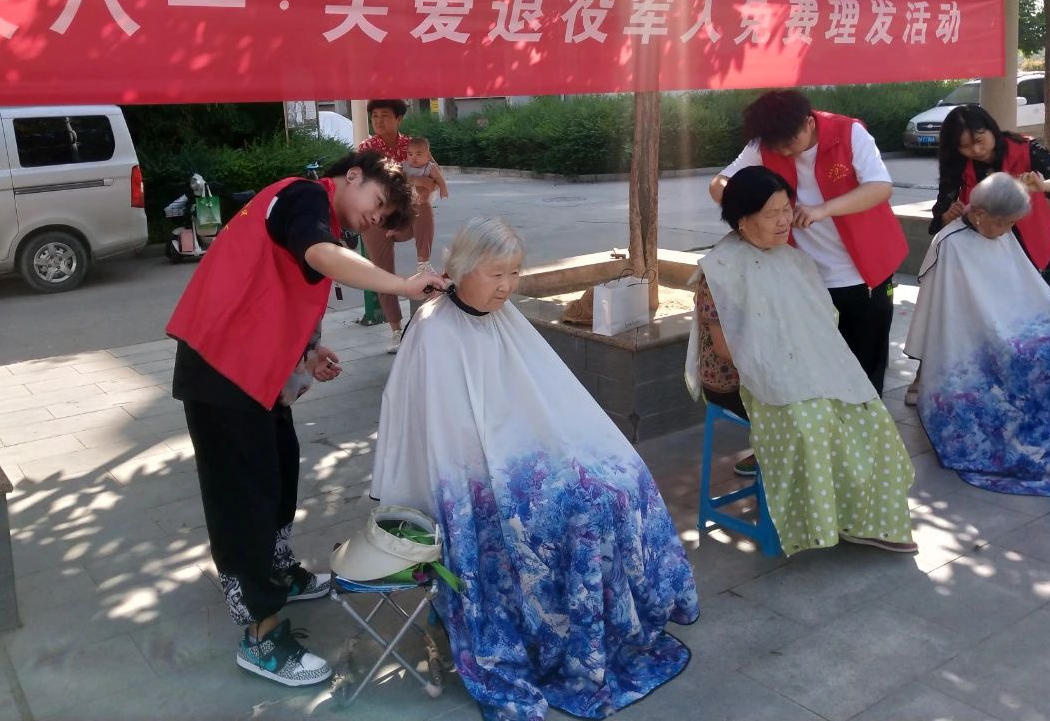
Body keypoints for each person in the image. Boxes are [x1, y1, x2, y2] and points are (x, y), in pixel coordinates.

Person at [372, 217, 699, 721]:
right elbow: (447, 438)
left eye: (514, 272)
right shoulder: (434, 330)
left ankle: (607, 627)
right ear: (462, 269)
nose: (507, 286)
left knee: (621, 482)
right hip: (476, 480)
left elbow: (546, 399)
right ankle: (562, 636)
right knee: (572, 519)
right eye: (495, 273)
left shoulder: (503, 317)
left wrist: (564, 453)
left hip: (525, 455)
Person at [166, 151, 445, 687]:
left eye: (384, 218)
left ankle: (279, 575)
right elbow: (319, 255)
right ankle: (261, 635)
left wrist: (309, 353)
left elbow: (274, 290)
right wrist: (401, 285)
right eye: (378, 204)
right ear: (353, 175)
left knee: (278, 474)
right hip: (221, 369)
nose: (375, 219)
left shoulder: (314, 212)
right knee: (244, 498)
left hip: (254, 372)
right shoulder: (306, 196)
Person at [688, 166, 916, 555]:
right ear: (742, 220)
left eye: (786, 210)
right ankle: (820, 520)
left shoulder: (795, 261)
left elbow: (822, 323)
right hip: (736, 379)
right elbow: (727, 350)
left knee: (867, 411)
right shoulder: (720, 270)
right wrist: (791, 365)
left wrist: (808, 362)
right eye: (771, 214)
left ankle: (866, 519)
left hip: (794, 364)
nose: (784, 221)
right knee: (811, 422)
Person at [906, 172, 1050, 498]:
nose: (1008, 230)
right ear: (980, 214)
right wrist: (1004, 335)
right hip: (986, 341)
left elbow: (1024, 288)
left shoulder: (998, 232)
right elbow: (953, 315)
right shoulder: (951, 244)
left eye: (1012, 224)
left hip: (1020, 324)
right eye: (1005, 223)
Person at [710, 91, 906, 397]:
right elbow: (720, 184)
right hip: (806, 277)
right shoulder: (766, 143)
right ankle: (826, 427)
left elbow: (880, 187)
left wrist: (823, 210)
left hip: (865, 273)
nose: (784, 152)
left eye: (790, 143)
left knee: (866, 365)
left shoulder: (849, 132)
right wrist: (751, 210)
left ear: (809, 123)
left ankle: (867, 426)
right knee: (817, 367)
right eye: (776, 147)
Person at [931, 103, 1050, 306]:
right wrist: (947, 216)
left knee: (1045, 312)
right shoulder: (957, 163)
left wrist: (1043, 186)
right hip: (985, 250)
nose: (975, 150)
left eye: (979, 140)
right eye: (964, 146)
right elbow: (942, 209)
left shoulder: (1025, 148)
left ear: (991, 128)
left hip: (1031, 246)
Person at [356, 98, 413, 352]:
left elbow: (429, 173)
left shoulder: (411, 145)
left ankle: (425, 264)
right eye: (375, 116)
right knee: (383, 273)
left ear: (399, 119)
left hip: (406, 212)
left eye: (385, 116)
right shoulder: (367, 148)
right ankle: (396, 330)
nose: (378, 121)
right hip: (376, 216)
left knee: (425, 217)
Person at [403, 135, 448, 272]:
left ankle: (423, 262)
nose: (413, 158)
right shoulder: (404, 166)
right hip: (405, 200)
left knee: (424, 210)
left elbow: (439, 178)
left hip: (420, 201)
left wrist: (443, 189)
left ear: (428, 156)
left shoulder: (430, 167)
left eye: (418, 154)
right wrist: (417, 180)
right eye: (410, 154)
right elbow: (396, 178)